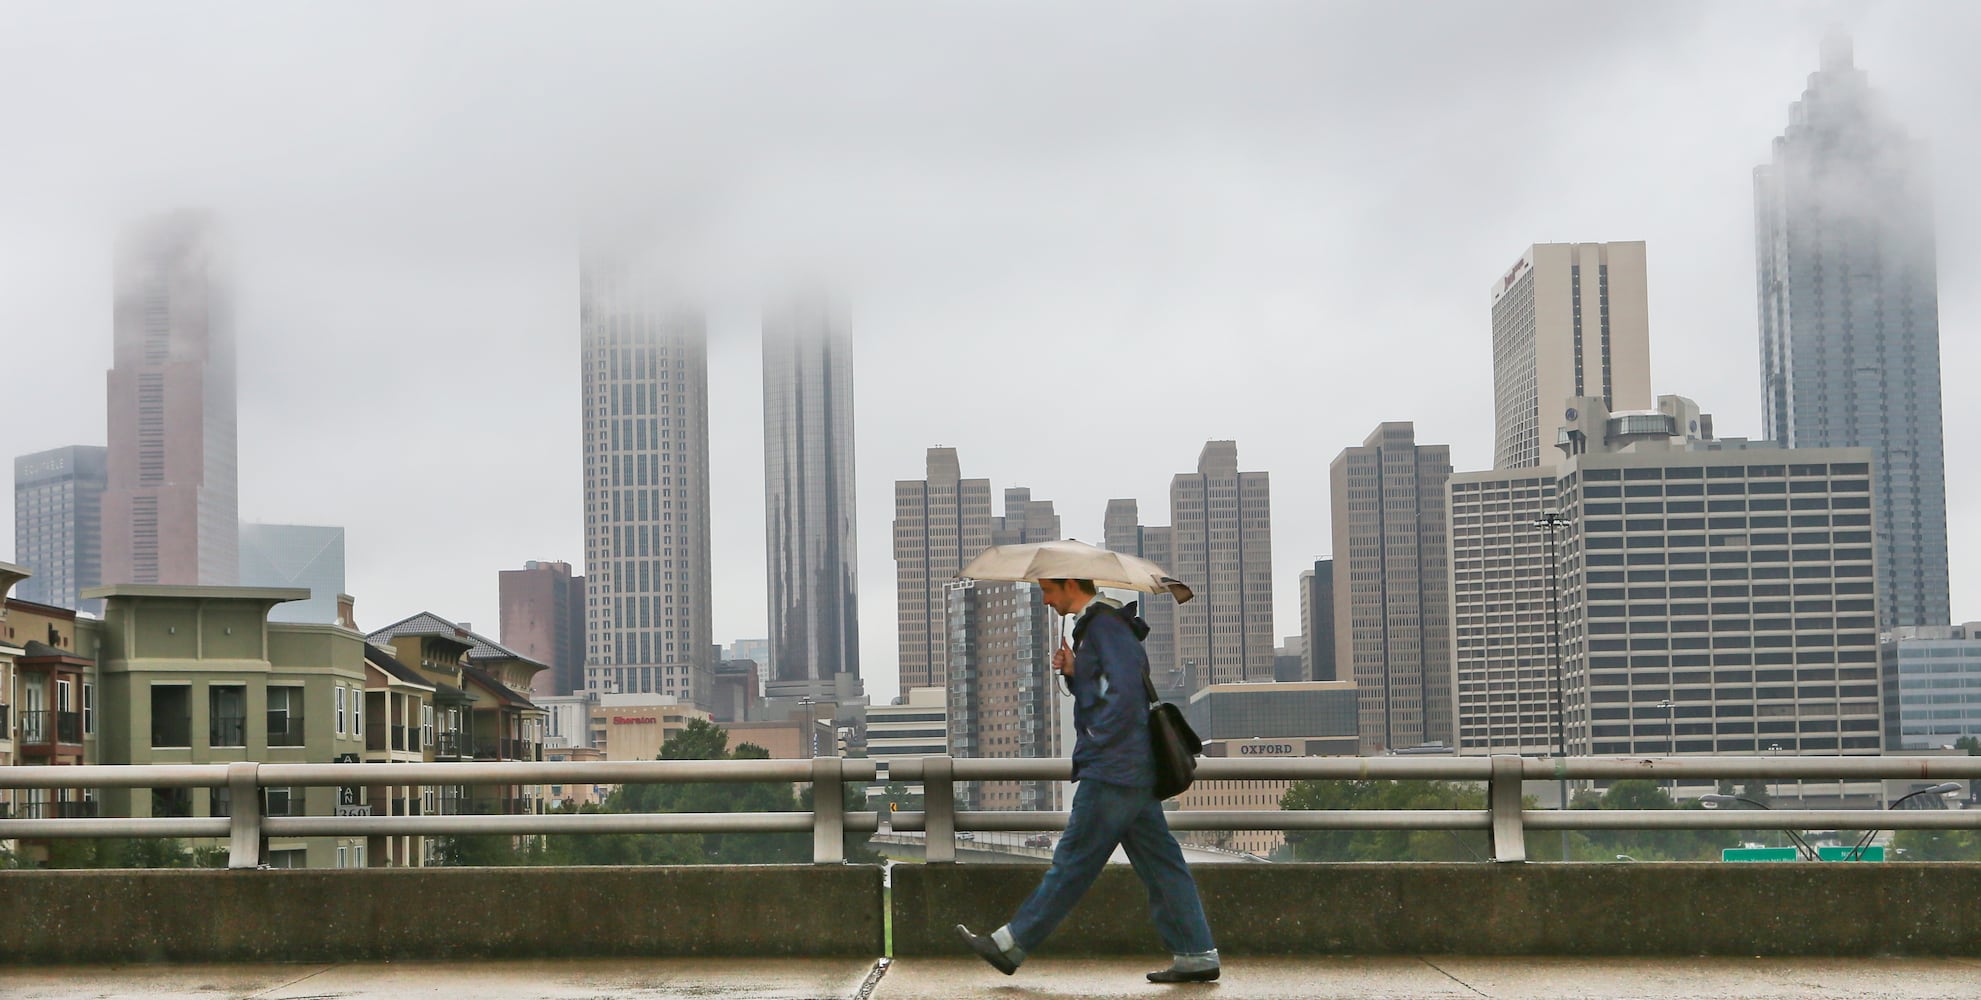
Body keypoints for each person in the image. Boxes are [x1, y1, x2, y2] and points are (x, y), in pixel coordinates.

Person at [955, 577, 1220, 983]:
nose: (1045, 599)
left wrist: (1099, 740)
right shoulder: (1099, 626)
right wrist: (1077, 673)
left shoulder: (1105, 625)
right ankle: (1197, 954)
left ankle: (1010, 945)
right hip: (1131, 768)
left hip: (1113, 769)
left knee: (1073, 861)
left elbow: (1127, 692)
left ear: (1070, 585)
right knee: (1162, 864)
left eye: (1048, 590)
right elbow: (1108, 687)